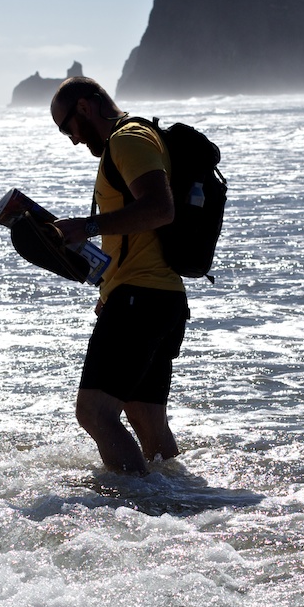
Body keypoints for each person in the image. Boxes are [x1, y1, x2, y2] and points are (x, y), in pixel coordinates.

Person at [50, 76, 190, 476]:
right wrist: (108, 287)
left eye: (67, 128)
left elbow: (161, 209)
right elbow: (141, 233)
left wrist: (87, 227)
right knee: (145, 416)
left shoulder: (127, 140)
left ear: (84, 108)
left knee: (94, 412)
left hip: (141, 301)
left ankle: (139, 503)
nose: (73, 140)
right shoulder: (134, 138)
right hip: (157, 300)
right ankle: (183, 501)